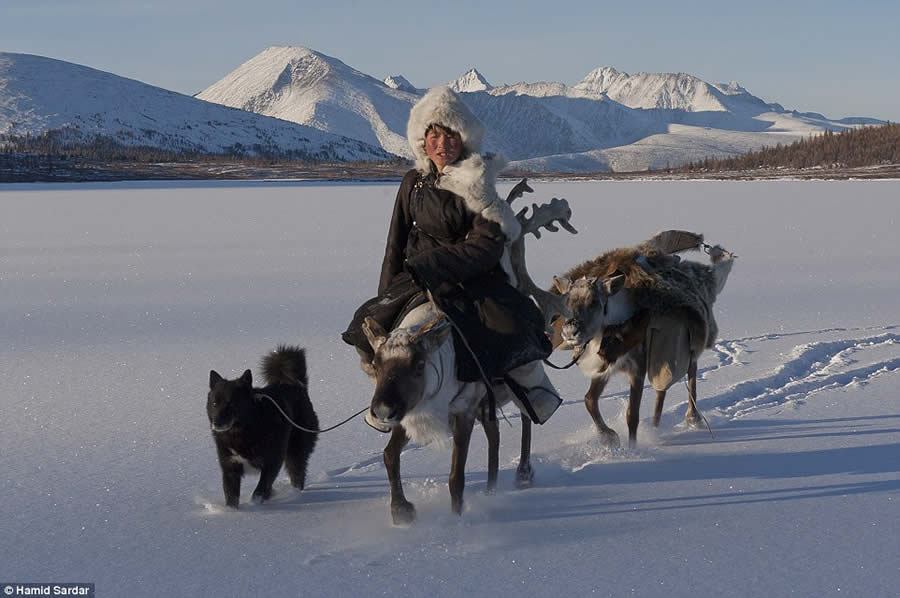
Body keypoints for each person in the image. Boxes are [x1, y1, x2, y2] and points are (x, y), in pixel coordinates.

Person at [341, 86, 561, 424]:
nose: (442, 145)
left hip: (470, 280)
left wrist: (434, 265)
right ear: (422, 141)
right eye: (434, 136)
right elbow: (395, 242)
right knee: (365, 326)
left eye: (450, 136)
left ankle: (535, 393)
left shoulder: (477, 182)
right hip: (414, 279)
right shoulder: (412, 181)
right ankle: (386, 396)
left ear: (464, 140)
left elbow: (487, 245)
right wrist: (385, 293)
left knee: (515, 325)